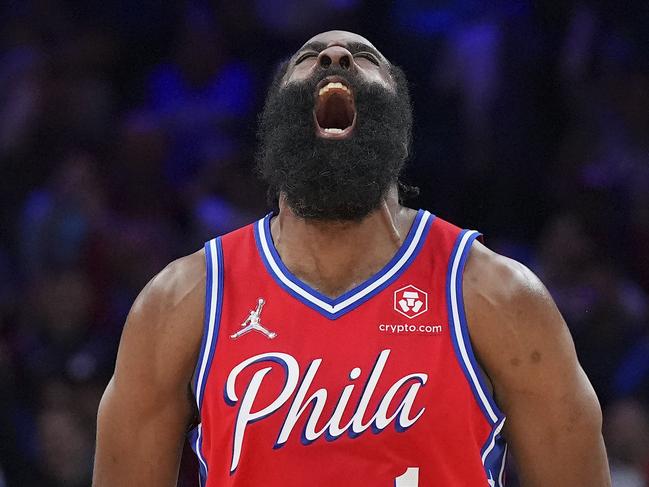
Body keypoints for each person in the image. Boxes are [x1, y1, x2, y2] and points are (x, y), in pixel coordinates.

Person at [93, 31, 611, 486]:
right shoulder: (182, 301)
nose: (336, 55)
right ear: (274, 122)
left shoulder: (496, 294)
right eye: (308, 56)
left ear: (401, 125)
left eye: (364, 56)